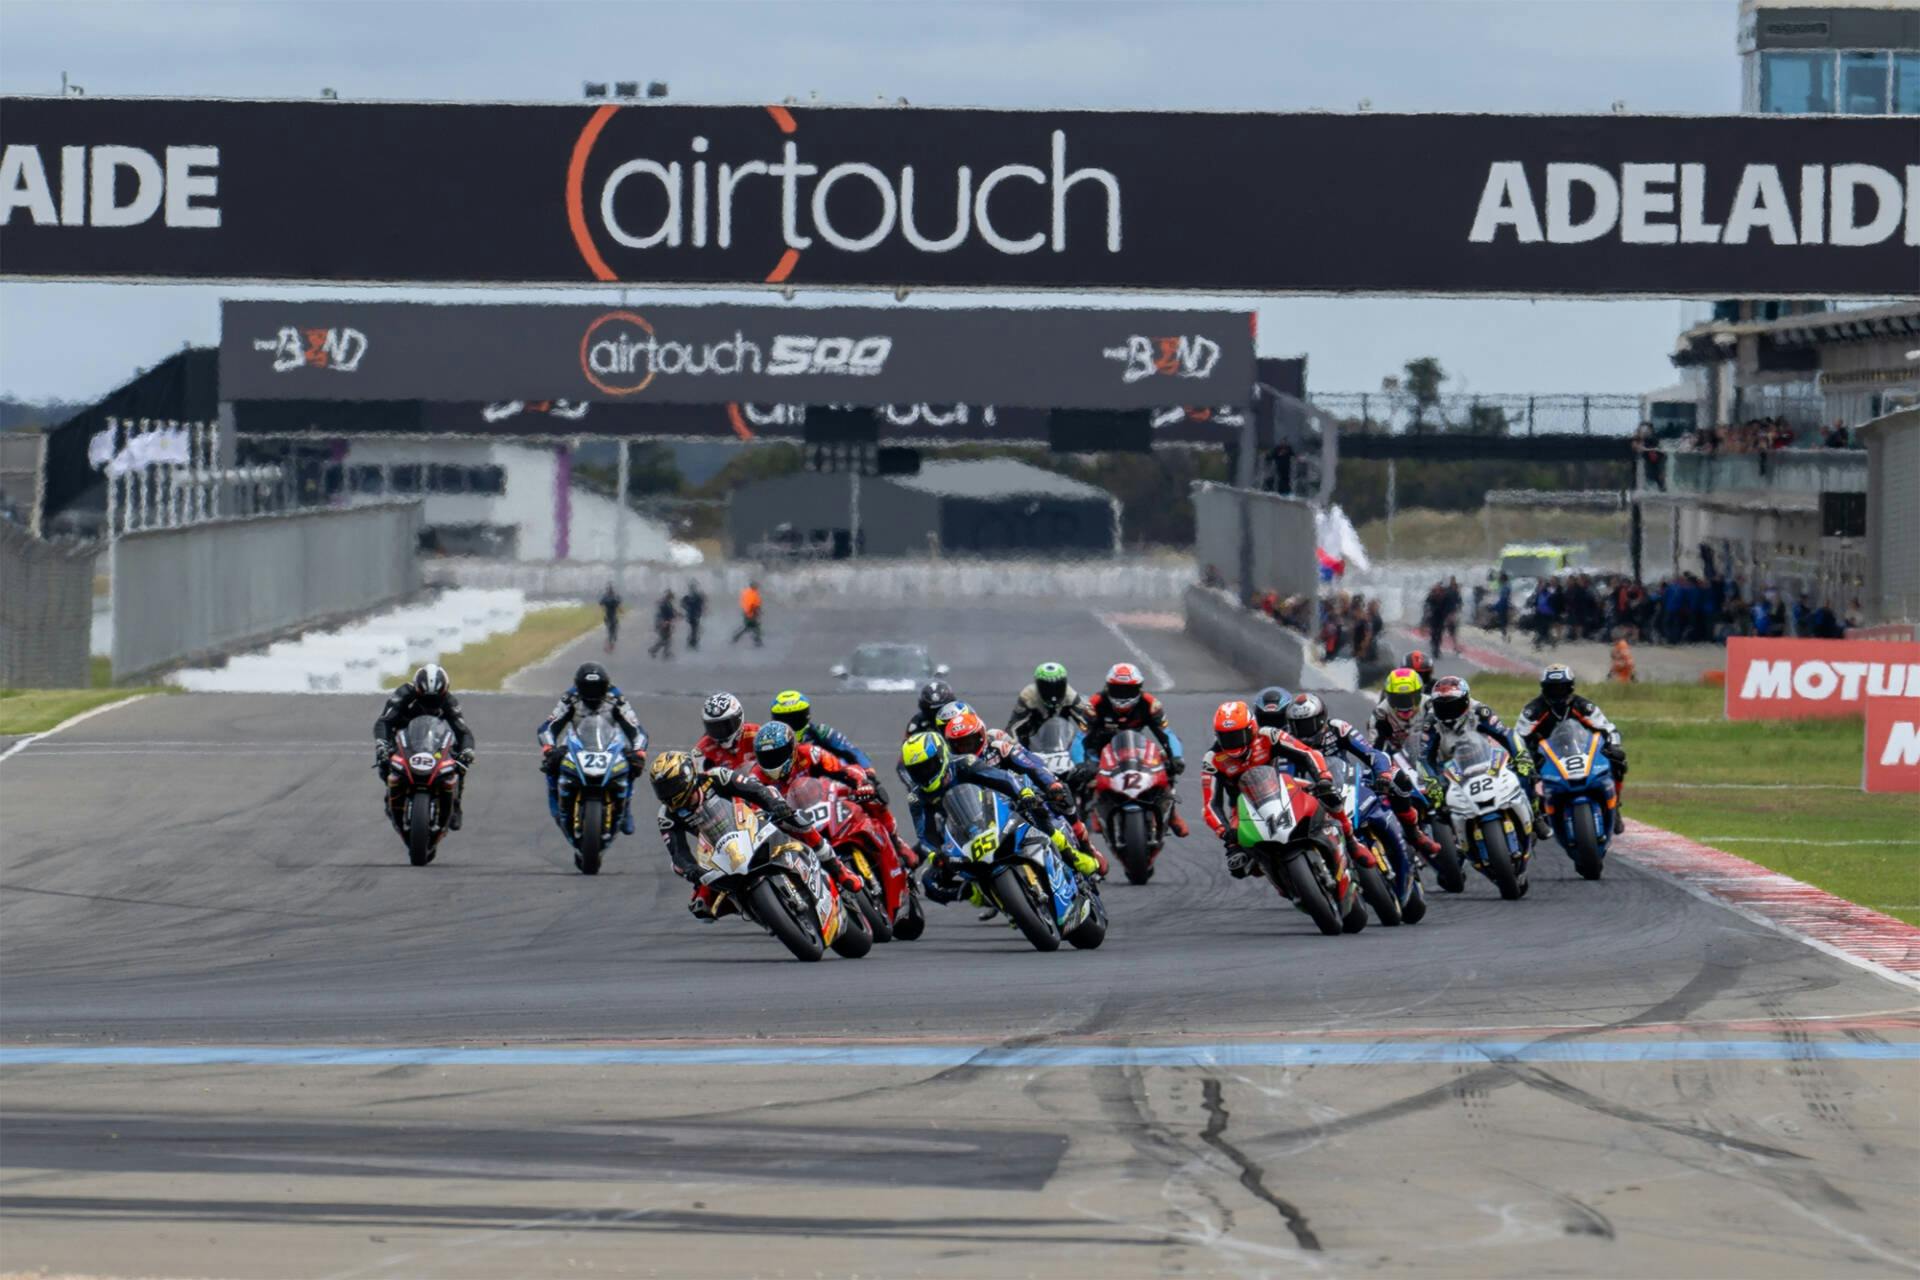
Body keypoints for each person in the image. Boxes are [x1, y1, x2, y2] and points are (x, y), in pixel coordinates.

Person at [649, 750, 859, 921]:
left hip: (751, 819)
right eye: (661, 789)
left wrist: (774, 805)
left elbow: (754, 789)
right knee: (702, 907)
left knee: (794, 819)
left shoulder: (716, 777)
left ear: (687, 777)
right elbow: (678, 853)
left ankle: (838, 868)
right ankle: (757, 910)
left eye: (670, 786)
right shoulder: (666, 816)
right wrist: (690, 870)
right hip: (717, 850)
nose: (667, 794)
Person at [899, 732, 1094, 905]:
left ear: (942, 756)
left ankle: (1072, 856)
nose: (924, 774)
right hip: (960, 831)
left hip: (996, 810)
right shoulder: (916, 797)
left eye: (928, 766)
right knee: (929, 881)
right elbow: (925, 834)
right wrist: (935, 854)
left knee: (1036, 811)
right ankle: (979, 893)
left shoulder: (965, 763)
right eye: (917, 770)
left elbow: (1002, 778)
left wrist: (1023, 793)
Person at [1284, 693, 1436, 893]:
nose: (1303, 730)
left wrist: (1383, 774)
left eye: (1308, 723)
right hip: (1315, 795)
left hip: (1348, 778)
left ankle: (1413, 832)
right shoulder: (1287, 742)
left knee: (1400, 778)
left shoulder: (1337, 728)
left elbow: (1372, 753)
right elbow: (1286, 778)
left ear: (1321, 719)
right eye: (1298, 725)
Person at [943, 707, 1104, 875]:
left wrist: (1050, 784)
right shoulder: (953, 768)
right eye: (960, 745)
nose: (966, 749)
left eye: (969, 743)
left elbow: (1030, 764)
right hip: (988, 814)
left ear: (981, 735)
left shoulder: (998, 746)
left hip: (1022, 799)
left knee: (1060, 799)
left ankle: (1083, 851)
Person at [1198, 700, 1344, 878]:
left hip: (1283, 788)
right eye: (1225, 737)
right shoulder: (1212, 759)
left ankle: (1351, 841)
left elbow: (1308, 753)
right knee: (1239, 863)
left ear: (1251, 728)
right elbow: (1210, 805)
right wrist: (1225, 831)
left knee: (1328, 795)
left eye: (1237, 736)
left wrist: (1323, 778)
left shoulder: (1269, 735)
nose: (1231, 743)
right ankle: (1280, 879)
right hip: (1243, 808)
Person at [1419, 675, 1543, 838]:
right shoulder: (1430, 722)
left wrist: (1521, 756)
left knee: (1525, 773)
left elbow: (1506, 734)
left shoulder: (1479, 711)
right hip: (1452, 767)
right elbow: (1424, 758)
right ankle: (1456, 838)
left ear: (1465, 701)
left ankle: (1536, 816)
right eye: (1442, 706)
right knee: (1438, 801)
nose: (1448, 712)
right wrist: (1432, 782)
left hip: (1485, 758)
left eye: (1452, 705)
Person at [536, 661, 649, 835]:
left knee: (633, 764)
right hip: (576, 742)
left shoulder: (616, 697)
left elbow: (637, 729)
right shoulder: (570, 697)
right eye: (587, 689)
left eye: (597, 688)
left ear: (606, 686)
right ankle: (557, 804)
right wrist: (549, 748)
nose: (592, 694)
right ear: (578, 686)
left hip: (609, 742)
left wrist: (639, 750)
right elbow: (548, 726)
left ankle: (626, 807)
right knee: (551, 764)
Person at [1517, 664, 1628, 835]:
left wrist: (1613, 746)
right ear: (1544, 689)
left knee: (1618, 759)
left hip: (1582, 751)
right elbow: (1518, 738)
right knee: (1521, 773)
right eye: (1552, 689)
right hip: (1544, 757)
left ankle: (1616, 805)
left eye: (1561, 688)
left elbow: (1608, 728)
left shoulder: (1583, 706)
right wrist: (1525, 759)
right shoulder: (1532, 711)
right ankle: (1535, 816)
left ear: (1570, 687)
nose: (1557, 693)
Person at [1080, 662, 1189, 836]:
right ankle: (1091, 811)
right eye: (1118, 690)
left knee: (1166, 763)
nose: (1123, 695)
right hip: (1100, 751)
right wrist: (1080, 763)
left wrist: (1176, 756)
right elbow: (1080, 738)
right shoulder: (1095, 704)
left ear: (1139, 689)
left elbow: (1167, 734)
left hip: (1134, 748)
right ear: (1108, 688)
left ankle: (1171, 813)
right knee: (1081, 774)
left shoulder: (1150, 704)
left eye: (1128, 690)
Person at [374, 663, 476, 830]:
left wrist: (467, 750)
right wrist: (381, 743)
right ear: (417, 690)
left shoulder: (449, 701)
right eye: (426, 699)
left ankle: (456, 803)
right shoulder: (403, 694)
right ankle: (390, 792)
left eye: (436, 700)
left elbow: (463, 732)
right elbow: (384, 721)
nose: (431, 704)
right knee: (384, 756)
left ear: (444, 692)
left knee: (460, 761)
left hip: (434, 741)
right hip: (403, 737)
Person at [1006, 661, 1092, 745]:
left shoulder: (1070, 695)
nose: (1052, 692)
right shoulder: (1028, 696)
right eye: (1046, 688)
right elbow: (1013, 726)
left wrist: (1093, 737)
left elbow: (1086, 721)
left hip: (1062, 739)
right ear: (1038, 685)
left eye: (1058, 687)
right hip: (1032, 738)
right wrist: (1011, 743)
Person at [694, 691, 758, 771]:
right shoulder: (701, 751)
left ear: (738, 718)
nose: (721, 731)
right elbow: (697, 776)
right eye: (714, 727)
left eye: (726, 725)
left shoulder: (757, 735)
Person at [731, 580, 764, 647]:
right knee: (754, 627)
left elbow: (753, 603)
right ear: (753, 586)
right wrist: (753, 611)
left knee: (749, 627)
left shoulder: (750, 592)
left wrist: (757, 610)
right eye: (756, 585)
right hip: (750, 613)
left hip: (748, 613)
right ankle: (757, 641)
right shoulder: (751, 594)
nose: (757, 587)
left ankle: (736, 637)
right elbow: (751, 604)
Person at [648, 588, 678, 660]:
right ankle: (655, 651)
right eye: (671, 597)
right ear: (669, 596)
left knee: (667, 639)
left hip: (666, 623)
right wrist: (663, 622)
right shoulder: (664, 603)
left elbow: (671, 612)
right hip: (663, 623)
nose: (672, 599)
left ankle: (663, 653)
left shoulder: (667, 603)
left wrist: (676, 614)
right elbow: (662, 614)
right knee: (665, 639)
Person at [681, 581, 707, 651]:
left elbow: (683, 604)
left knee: (694, 630)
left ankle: (692, 643)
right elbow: (701, 604)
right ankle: (693, 644)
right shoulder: (694, 596)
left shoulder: (690, 596)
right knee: (694, 630)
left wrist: (687, 608)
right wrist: (688, 608)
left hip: (692, 615)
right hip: (693, 615)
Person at [599, 583, 622, 653]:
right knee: (613, 631)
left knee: (610, 631)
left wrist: (603, 608)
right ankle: (610, 644)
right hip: (612, 617)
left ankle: (609, 643)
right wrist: (621, 611)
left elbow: (601, 603)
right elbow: (618, 604)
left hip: (608, 616)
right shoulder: (615, 597)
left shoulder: (605, 597)